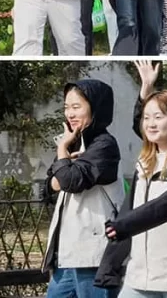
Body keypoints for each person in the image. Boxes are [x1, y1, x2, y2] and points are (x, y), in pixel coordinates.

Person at [96, 89, 167, 298]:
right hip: (140, 275)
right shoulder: (145, 163)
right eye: (146, 118)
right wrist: (110, 266)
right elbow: (128, 212)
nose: (151, 124)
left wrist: (123, 226)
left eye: (159, 117)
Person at [42, 79, 122, 298]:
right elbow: (48, 189)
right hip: (67, 255)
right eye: (67, 107)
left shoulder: (104, 145)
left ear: (95, 108)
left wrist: (61, 150)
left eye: (76, 107)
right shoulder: (74, 143)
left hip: (94, 255)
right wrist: (64, 163)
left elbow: (70, 182)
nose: (70, 113)